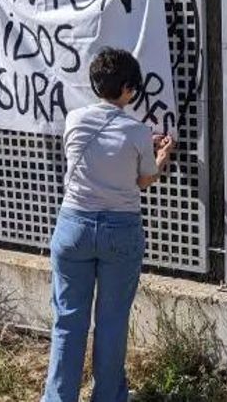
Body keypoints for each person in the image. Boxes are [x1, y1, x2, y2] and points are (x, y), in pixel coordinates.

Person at [43, 48, 174, 402]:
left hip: (73, 227)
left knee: (68, 320)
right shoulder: (137, 131)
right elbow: (144, 179)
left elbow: (95, 153)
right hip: (120, 230)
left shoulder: (74, 120)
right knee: (112, 322)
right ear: (128, 88)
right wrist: (160, 156)